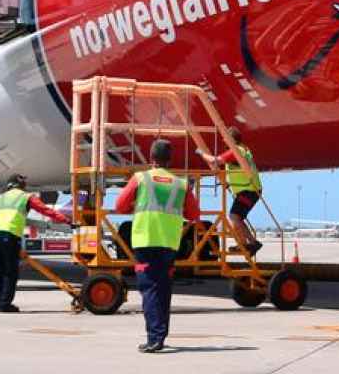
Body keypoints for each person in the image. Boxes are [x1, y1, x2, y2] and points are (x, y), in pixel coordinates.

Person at [111, 139, 199, 352]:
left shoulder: (140, 178)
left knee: (149, 289)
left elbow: (119, 206)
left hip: (146, 240)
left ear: (151, 158)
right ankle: (160, 334)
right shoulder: (181, 184)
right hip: (169, 243)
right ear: (169, 159)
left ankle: (154, 338)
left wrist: (136, 205)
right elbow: (194, 214)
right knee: (163, 289)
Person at [0, 174, 70, 312]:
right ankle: (5, 304)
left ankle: (1, 299)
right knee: (10, 271)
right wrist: (66, 220)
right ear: (22, 186)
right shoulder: (26, 197)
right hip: (10, 234)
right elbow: (46, 210)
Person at [202, 127, 264, 255]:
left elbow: (215, 160)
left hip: (249, 190)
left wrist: (201, 153)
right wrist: (229, 183)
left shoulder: (236, 151)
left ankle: (252, 243)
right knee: (238, 217)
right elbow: (237, 169)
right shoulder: (242, 150)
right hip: (247, 189)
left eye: (225, 139)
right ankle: (244, 244)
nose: (224, 141)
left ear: (231, 139)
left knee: (234, 216)